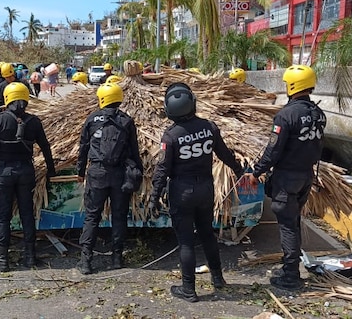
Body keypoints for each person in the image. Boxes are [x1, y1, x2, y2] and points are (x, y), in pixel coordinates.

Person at [148, 82, 245, 302]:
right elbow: (225, 154)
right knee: (207, 234)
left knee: (185, 242)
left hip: (182, 191)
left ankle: (189, 289)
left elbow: (163, 168)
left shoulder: (171, 136)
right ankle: (218, 278)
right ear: (193, 104)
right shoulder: (209, 127)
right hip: (205, 189)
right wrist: (239, 171)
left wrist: (154, 196)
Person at [243, 64, 326, 291]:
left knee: (288, 225)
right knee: (294, 221)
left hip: (287, 179)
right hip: (306, 176)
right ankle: (290, 264)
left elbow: (273, 151)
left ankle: (291, 276)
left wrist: (256, 172)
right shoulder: (318, 114)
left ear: (292, 85)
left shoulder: (286, 115)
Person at [0, 82, 56, 271]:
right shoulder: (34, 121)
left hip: (4, 173)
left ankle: (2, 259)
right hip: (26, 172)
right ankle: (30, 257)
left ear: (7, 99)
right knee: (27, 214)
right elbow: (45, 147)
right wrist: (51, 169)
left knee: (3, 216)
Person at [75, 83, 141, 275]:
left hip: (97, 174)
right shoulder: (126, 120)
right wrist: (138, 172)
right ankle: (117, 258)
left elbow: (83, 148)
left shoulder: (92, 119)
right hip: (120, 175)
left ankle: (86, 261)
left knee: (92, 216)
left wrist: (80, 171)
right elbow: (134, 151)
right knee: (119, 216)